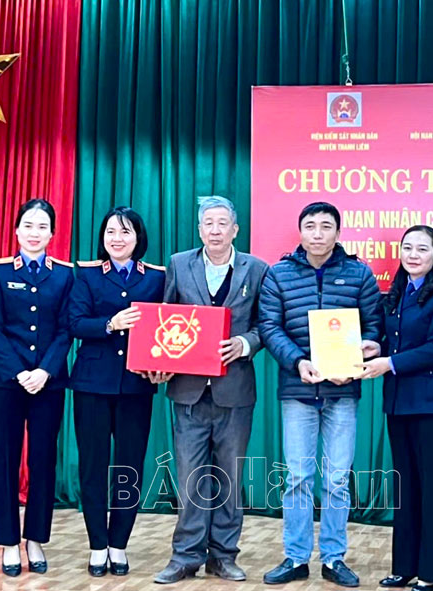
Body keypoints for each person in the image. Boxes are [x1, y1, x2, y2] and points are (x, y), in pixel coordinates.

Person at [258, 201, 381, 588]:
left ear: (338, 233)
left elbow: (374, 326)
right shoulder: (278, 274)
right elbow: (270, 327)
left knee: (337, 479)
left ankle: (333, 557)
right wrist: (298, 362)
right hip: (298, 389)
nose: (317, 233)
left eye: (326, 226)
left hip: (343, 391)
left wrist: (365, 351)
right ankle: (295, 557)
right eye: (310, 225)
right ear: (300, 231)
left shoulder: (359, 273)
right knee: (297, 477)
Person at [154, 196, 269, 584]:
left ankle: (223, 556)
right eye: (209, 223)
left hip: (235, 391)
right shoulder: (178, 263)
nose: (215, 230)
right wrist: (160, 362)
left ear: (235, 230)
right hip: (188, 391)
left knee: (229, 479)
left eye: (223, 223)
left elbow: (266, 324)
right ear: (199, 229)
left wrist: (246, 343)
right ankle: (185, 556)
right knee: (190, 478)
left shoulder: (256, 269)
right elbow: (164, 318)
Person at [358, 226, 433, 591]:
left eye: (422, 249)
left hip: (432, 405)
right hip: (399, 402)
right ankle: (404, 566)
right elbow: (392, 340)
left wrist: (389, 363)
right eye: (407, 248)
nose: (413, 255)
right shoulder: (396, 292)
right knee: (405, 486)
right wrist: (375, 348)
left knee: (430, 486)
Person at [70, 206, 167, 577]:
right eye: (111, 231)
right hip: (92, 384)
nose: (117, 238)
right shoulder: (88, 275)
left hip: (136, 385)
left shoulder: (156, 277)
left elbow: (167, 325)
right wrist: (110, 323)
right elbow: (75, 323)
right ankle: (97, 545)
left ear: (138, 237)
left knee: (129, 467)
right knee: (92, 466)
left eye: (126, 232)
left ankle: (119, 544)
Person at [0, 198, 74, 577]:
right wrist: (20, 372)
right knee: (5, 460)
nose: (35, 233)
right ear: (17, 230)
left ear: (52, 234)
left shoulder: (64, 275)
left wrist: (45, 371)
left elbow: (66, 329)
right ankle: (8, 542)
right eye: (28, 225)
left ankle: (35, 539)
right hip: (6, 382)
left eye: (42, 227)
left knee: (43, 460)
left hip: (48, 384)